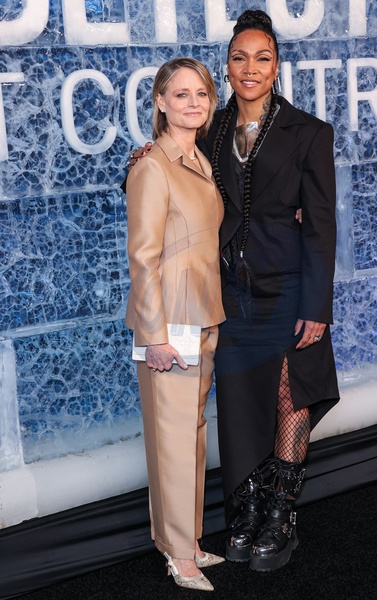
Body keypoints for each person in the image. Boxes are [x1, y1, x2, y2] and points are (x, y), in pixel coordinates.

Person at [126, 9, 339, 573]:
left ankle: (281, 516)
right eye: (239, 57)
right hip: (230, 294)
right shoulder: (210, 125)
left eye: (262, 58)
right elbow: (171, 165)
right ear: (227, 66)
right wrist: (141, 155)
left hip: (290, 290)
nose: (250, 68)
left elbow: (322, 226)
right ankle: (246, 511)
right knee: (242, 403)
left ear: (277, 66)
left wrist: (318, 306)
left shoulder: (310, 133)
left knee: (292, 396)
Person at [125, 57, 226, 591]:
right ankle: (177, 554)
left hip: (203, 315)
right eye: (181, 94)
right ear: (160, 102)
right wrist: (154, 337)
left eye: (201, 94)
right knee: (171, 440)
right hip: (169, 324)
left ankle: (189, 540)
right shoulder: (151, 167)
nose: (193, 102)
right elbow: (143, 259)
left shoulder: (200, 161)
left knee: (192, 434)